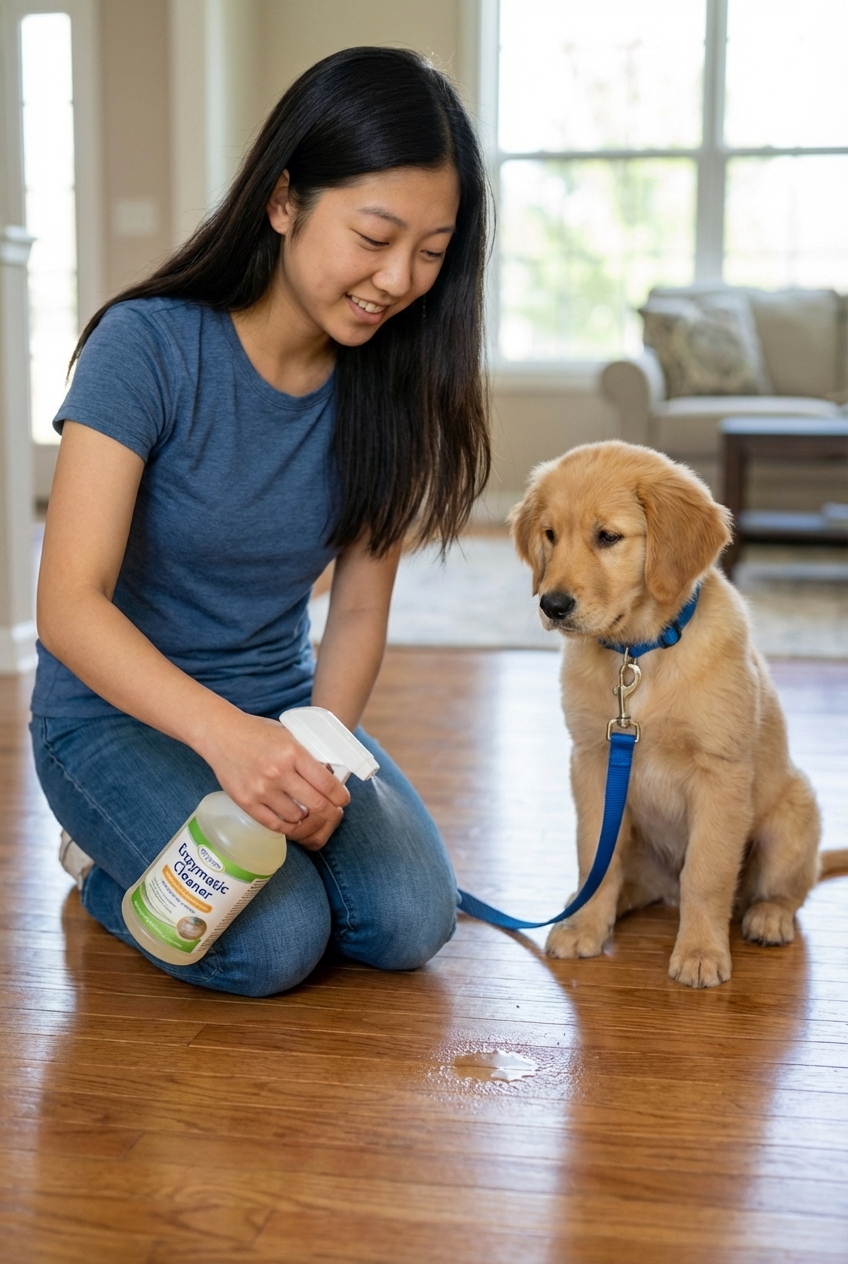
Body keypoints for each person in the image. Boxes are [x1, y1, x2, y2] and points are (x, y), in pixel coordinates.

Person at [31, 47, 490, 996]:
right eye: (374, 236)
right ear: (284, 201)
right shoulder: (147, 348)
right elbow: (68, 607)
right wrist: (229, 744)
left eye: (432, 252)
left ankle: (198, 846)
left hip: (280, 709)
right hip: (111, 718)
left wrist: (318, 754)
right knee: (274, 942)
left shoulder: (391, 386)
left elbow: (358, 612)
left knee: (411, 918)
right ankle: (105, 869)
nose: (399, 278)